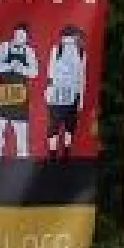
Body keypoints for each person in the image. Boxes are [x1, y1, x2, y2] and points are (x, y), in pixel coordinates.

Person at [0, 23, 39, 158]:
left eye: (23, 36)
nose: (20, 38)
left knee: (21, 134)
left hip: (19, 94)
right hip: (3, 92)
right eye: (18, 35)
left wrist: (21, 68)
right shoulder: (3, 47)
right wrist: (9, 65)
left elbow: (35, 72)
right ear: (14, 34)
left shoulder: (29, 51)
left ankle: (21, 164)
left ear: (27, 38)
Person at [45, 25, 87, 161]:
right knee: (54, 125)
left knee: (69, 125)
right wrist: (49, 91)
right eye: (67, 39)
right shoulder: (56, 50)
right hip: (57, 93)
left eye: (72, 39)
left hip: (73, 93)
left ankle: (66, 152)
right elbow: (50, 73)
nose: (69, 41)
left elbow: (82, 76)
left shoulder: (81, 53)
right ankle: (52, 153)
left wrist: (80, 99)